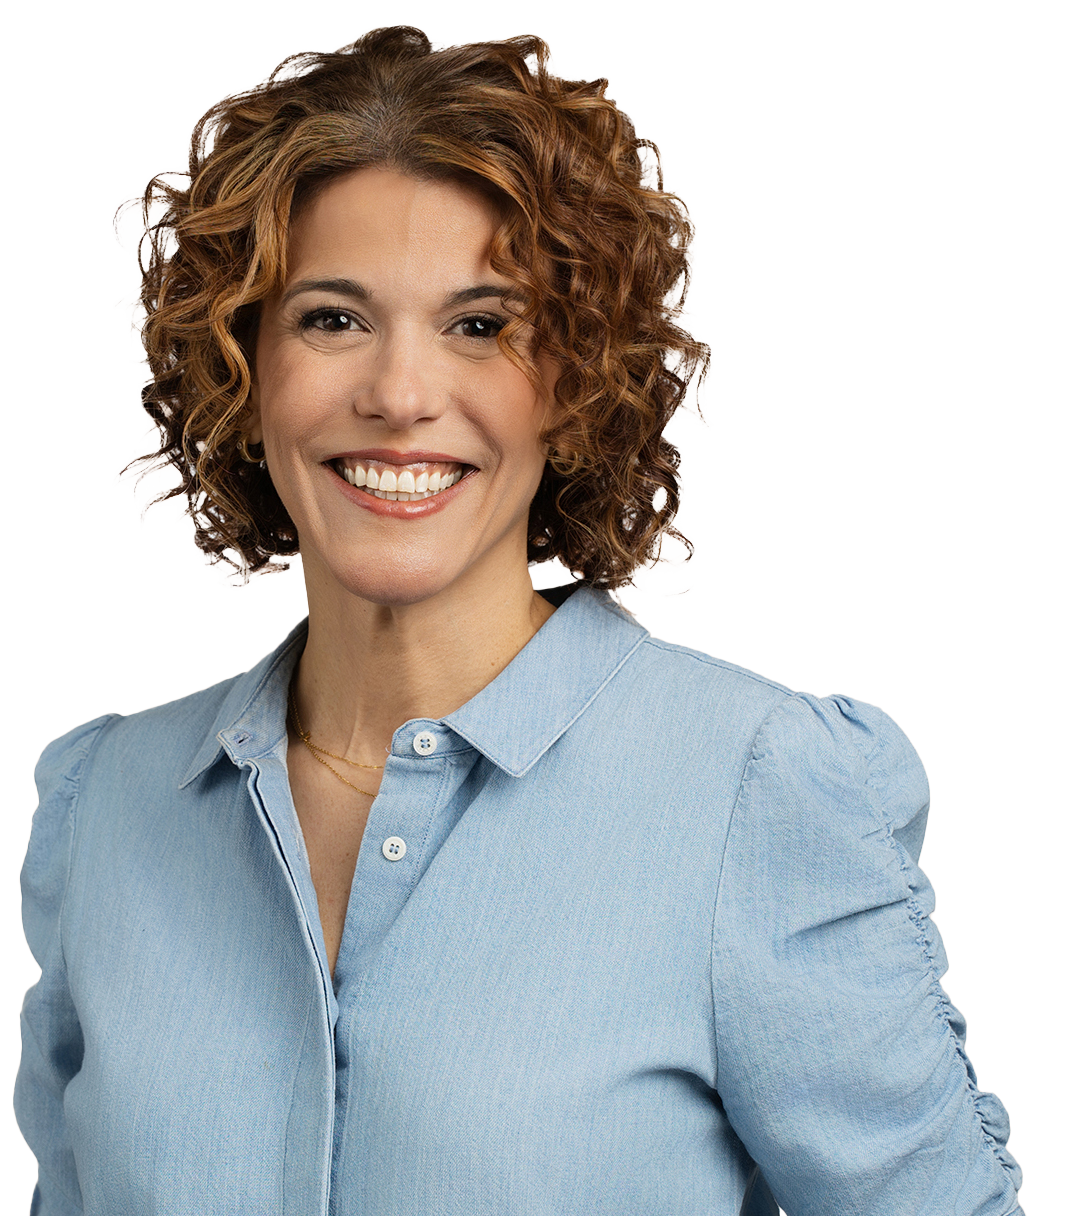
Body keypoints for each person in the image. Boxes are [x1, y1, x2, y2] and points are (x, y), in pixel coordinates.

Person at [14, 25, 1024, 1216]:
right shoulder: (108, 806)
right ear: (242, 367)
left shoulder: (757, 789)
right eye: (331, 318)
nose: (398, 394)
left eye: (481, 325)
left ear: (578, 379)